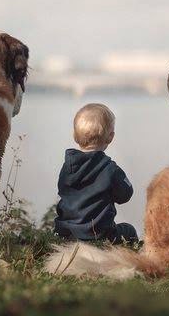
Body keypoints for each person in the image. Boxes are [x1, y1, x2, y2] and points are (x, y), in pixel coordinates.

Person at [53, 103, 138, 244]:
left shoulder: (67, 167)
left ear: (75, 136)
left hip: (65, 233)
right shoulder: (110, 169)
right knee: (129, 230)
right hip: (100, 235)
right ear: (110, 137)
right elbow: (125, 195)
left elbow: (63, 191)